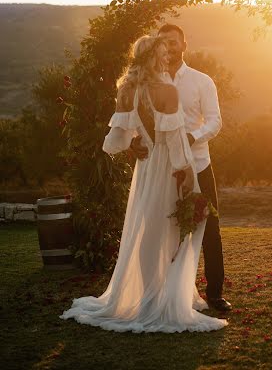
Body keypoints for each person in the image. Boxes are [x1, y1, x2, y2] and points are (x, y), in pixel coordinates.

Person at [60, 35, 228, 333]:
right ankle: (159, 300)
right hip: (168, 167)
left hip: (146, 168)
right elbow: (176, 144)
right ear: (152, 57)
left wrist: (135, 145)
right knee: (173, 230)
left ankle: (152, 294)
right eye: (162, 54)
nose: (166, 58)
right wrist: (187, 173)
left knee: (148, 228)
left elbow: (115, 141)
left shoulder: (126, 90)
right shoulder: (168, 91)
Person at [130, 24, 232, 312]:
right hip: (161, 170)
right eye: (163, 43)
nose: (169, 47)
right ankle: (162, 293)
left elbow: (215, 121)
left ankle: (214, 294)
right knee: (160, 228)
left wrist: (191, 137)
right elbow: (140, 122)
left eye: (174, 42)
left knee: (209, 228)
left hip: (198, 164)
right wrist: (134, 143)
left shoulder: (202, 81)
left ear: (184, 45)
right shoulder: (149, 82)